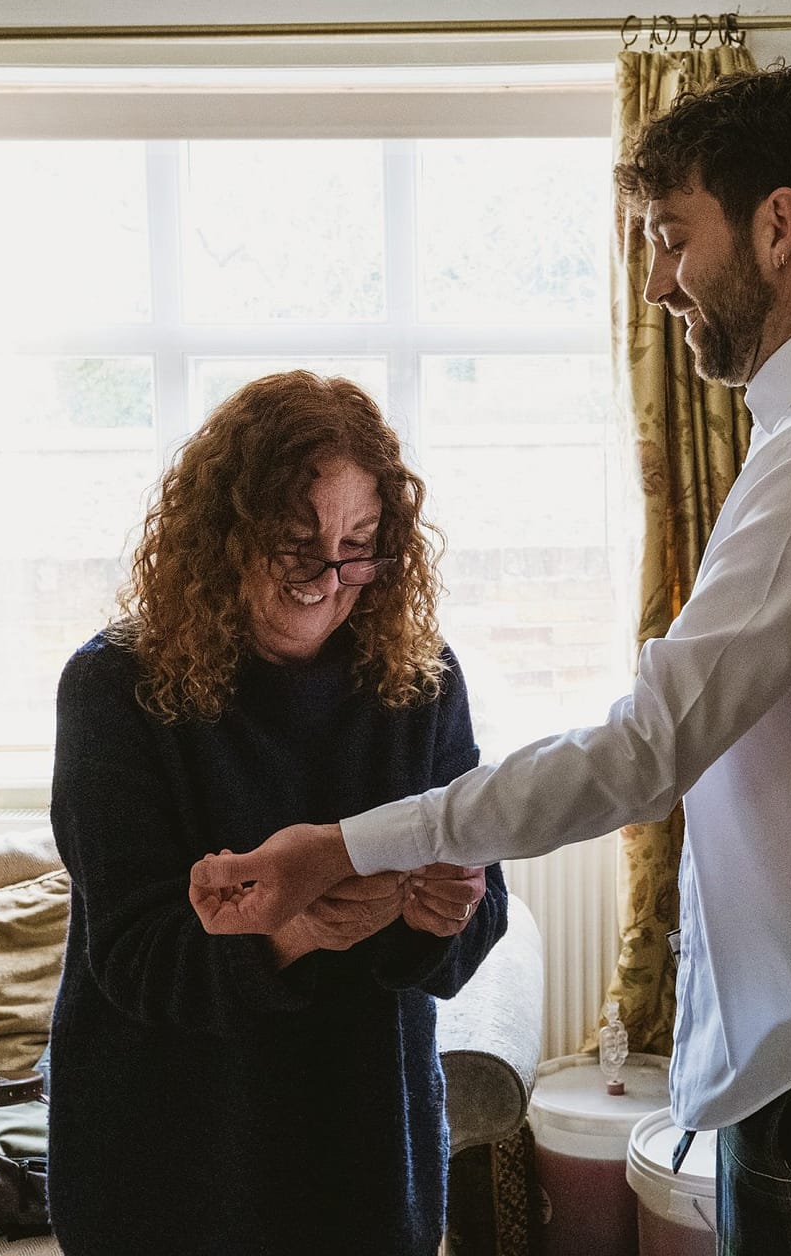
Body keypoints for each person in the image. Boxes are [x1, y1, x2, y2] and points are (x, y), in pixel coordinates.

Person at [190, 66, 791, 1254]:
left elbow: (643, 752)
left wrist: (338, 843)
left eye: (676, 237)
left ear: (779, 226)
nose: (661, 280)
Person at [44, 371, 506, 1255]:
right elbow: (134, 955)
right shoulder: (113, 688)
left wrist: (448, 914)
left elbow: (482, 914)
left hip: (363, 1151)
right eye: (298, 544)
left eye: (358, 546)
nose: (329, 578)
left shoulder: (421, 682)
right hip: (165, 1157)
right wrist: (290, 933)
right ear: (224, 536)